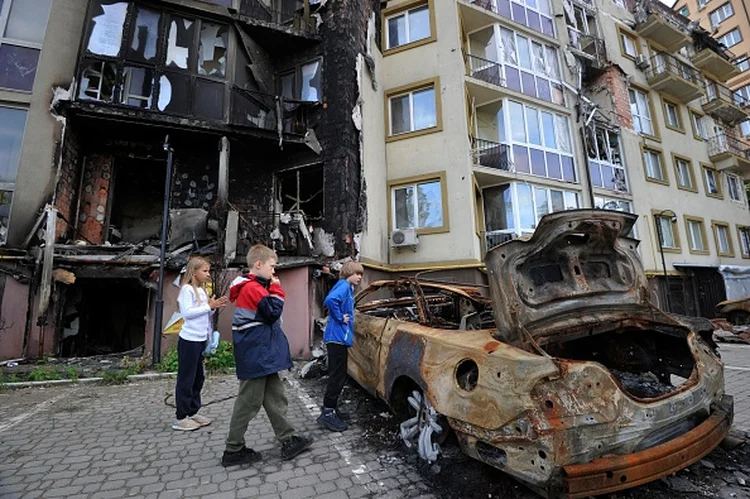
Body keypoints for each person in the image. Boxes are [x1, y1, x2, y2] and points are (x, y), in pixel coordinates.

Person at [221, 244, 313, 466]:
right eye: (272, 266)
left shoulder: (254, 286)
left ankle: (288, 439)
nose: (274, 272)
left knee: (275, 398)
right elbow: (272, 313)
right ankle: (233, 449)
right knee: (248, 402)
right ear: (258, 264)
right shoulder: (253, 288)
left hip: (262, 354)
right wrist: (277, 289)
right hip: (257, 354)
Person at [173, 257, 227, 431]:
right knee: (186, 379)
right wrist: (208, 306)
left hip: (200, 340)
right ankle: (181, 417)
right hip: (189, 341)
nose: (207, 274)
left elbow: (204, 315)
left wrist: (213, 306)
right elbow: (187, 314)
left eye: (208, 271)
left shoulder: (201, 291)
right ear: (193, 271)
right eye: (204, 271)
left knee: (198, 377)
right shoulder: (187, 290)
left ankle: (193, 411)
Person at [317, 261, 364, 432]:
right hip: (336, 339)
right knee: (337, 376)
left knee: (340, 375)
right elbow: (330, 300)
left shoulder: (347, 288)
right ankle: (327, 413)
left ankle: (332, 408)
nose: (359, 277)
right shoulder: (344, 285)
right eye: (357, 274)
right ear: (348, 273)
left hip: (339, 339)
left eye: (361, 274)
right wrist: (339, 317)